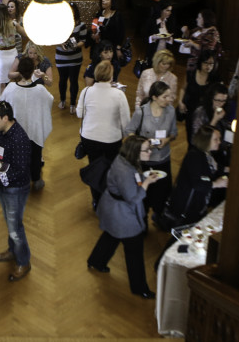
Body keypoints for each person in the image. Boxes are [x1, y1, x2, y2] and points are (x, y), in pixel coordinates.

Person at [86, 135, 160, 299]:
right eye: (146, 150)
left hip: (114, 209)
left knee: (111, 236)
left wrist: (143, 179)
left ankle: (96, 261)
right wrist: (147, 182)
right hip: (121, 214)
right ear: (135, 151)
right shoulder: (124, 171)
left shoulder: (125, 160)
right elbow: (133, 198)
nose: (150, 152)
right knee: (134, 249)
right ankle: (140, 287)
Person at [0, 101, 33, 282]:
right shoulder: (0, 132)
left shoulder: (19, 139)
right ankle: (13, 251)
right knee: (10, 223)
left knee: (15, 228)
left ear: (5, 118)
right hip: (4, 186)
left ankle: (24, 262)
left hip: (16, 189)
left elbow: (20, 170)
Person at [75, 60, 130, 204]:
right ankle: (110, 198)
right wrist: (125, 136)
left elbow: (79, 114)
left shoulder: (86, 91)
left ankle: (96, 200)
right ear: (111, 76)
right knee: (111, 170)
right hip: (111, 139)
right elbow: (126, 121)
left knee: (95, 169)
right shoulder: (118, 94)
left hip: (89, 138)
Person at [125, 80, 178, 219]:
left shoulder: (171, 111)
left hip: (163, 159)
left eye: (170, 96)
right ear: (154, 97)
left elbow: (174, 132)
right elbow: (129, 131)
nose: (169, 100)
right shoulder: (141, 112)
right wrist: (142, 144)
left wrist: (167, 139)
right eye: (165, 97)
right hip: (145, 162)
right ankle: (142, 221)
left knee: (162, 194)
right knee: (144, 195)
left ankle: (159, 216)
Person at [1, 56, 54, 190]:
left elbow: (2, 103)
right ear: (32, 71)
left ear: (19, 71)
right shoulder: (40, 90)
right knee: (36, 155)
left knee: (15, 155)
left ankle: (15, 178)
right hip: (34, 129)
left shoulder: (11, 88)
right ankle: (36, 179)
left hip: (15, 131)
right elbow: (50, 100)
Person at [164, 125, 229, 228]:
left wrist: (227, 169)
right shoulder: (194, 157)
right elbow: (197, 183)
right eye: (216, 139)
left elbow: (214, 167)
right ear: (206, 140)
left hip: (198, 205)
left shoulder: (206, 154)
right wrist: (217, 184)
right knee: (183, 234)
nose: (219, 142)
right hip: (186, 207)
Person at [135, 49, 184, 114]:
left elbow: (170, 100)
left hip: (161, 114)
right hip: (144, 110)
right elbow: (139, 94)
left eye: (168, 64)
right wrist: (138, 110)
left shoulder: (173, 78)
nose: (166, 66)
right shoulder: (146, 73)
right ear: (157, 62)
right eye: (163, 64)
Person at [90, 0, 126, 80]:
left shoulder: (117, 15)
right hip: (100, 48)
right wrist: (93, 35)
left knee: (112, 71)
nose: (103, 0)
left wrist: (118, 48)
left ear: (112, 2)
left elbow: (122, 33)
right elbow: (94, 28)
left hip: (112, 48)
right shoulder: (99, 14)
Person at [0, 3, 20, 98]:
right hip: (13, 55)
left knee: (1, 83)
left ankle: (2, 104)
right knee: (14, 81)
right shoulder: (13, 24)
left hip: (0, 57)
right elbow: (24, 33)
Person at [55, 22, 87, 111]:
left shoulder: (81, 25)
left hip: (75, 58)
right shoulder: (57, 23)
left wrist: (76, 46)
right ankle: (62, 100)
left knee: (74, 80)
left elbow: (83, 40)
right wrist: (61, 44)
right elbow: (53, 39)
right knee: (62, 79)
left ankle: (73, 103)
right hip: (61, 58)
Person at [182, 50, 218, 124]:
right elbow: (183, 88)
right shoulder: (191, 73)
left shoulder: (215, 78)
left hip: (206, 112)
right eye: (206, 63)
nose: (208, 66)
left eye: (211, 63)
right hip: (190, 109)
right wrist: (180, 101)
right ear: (200, 62)